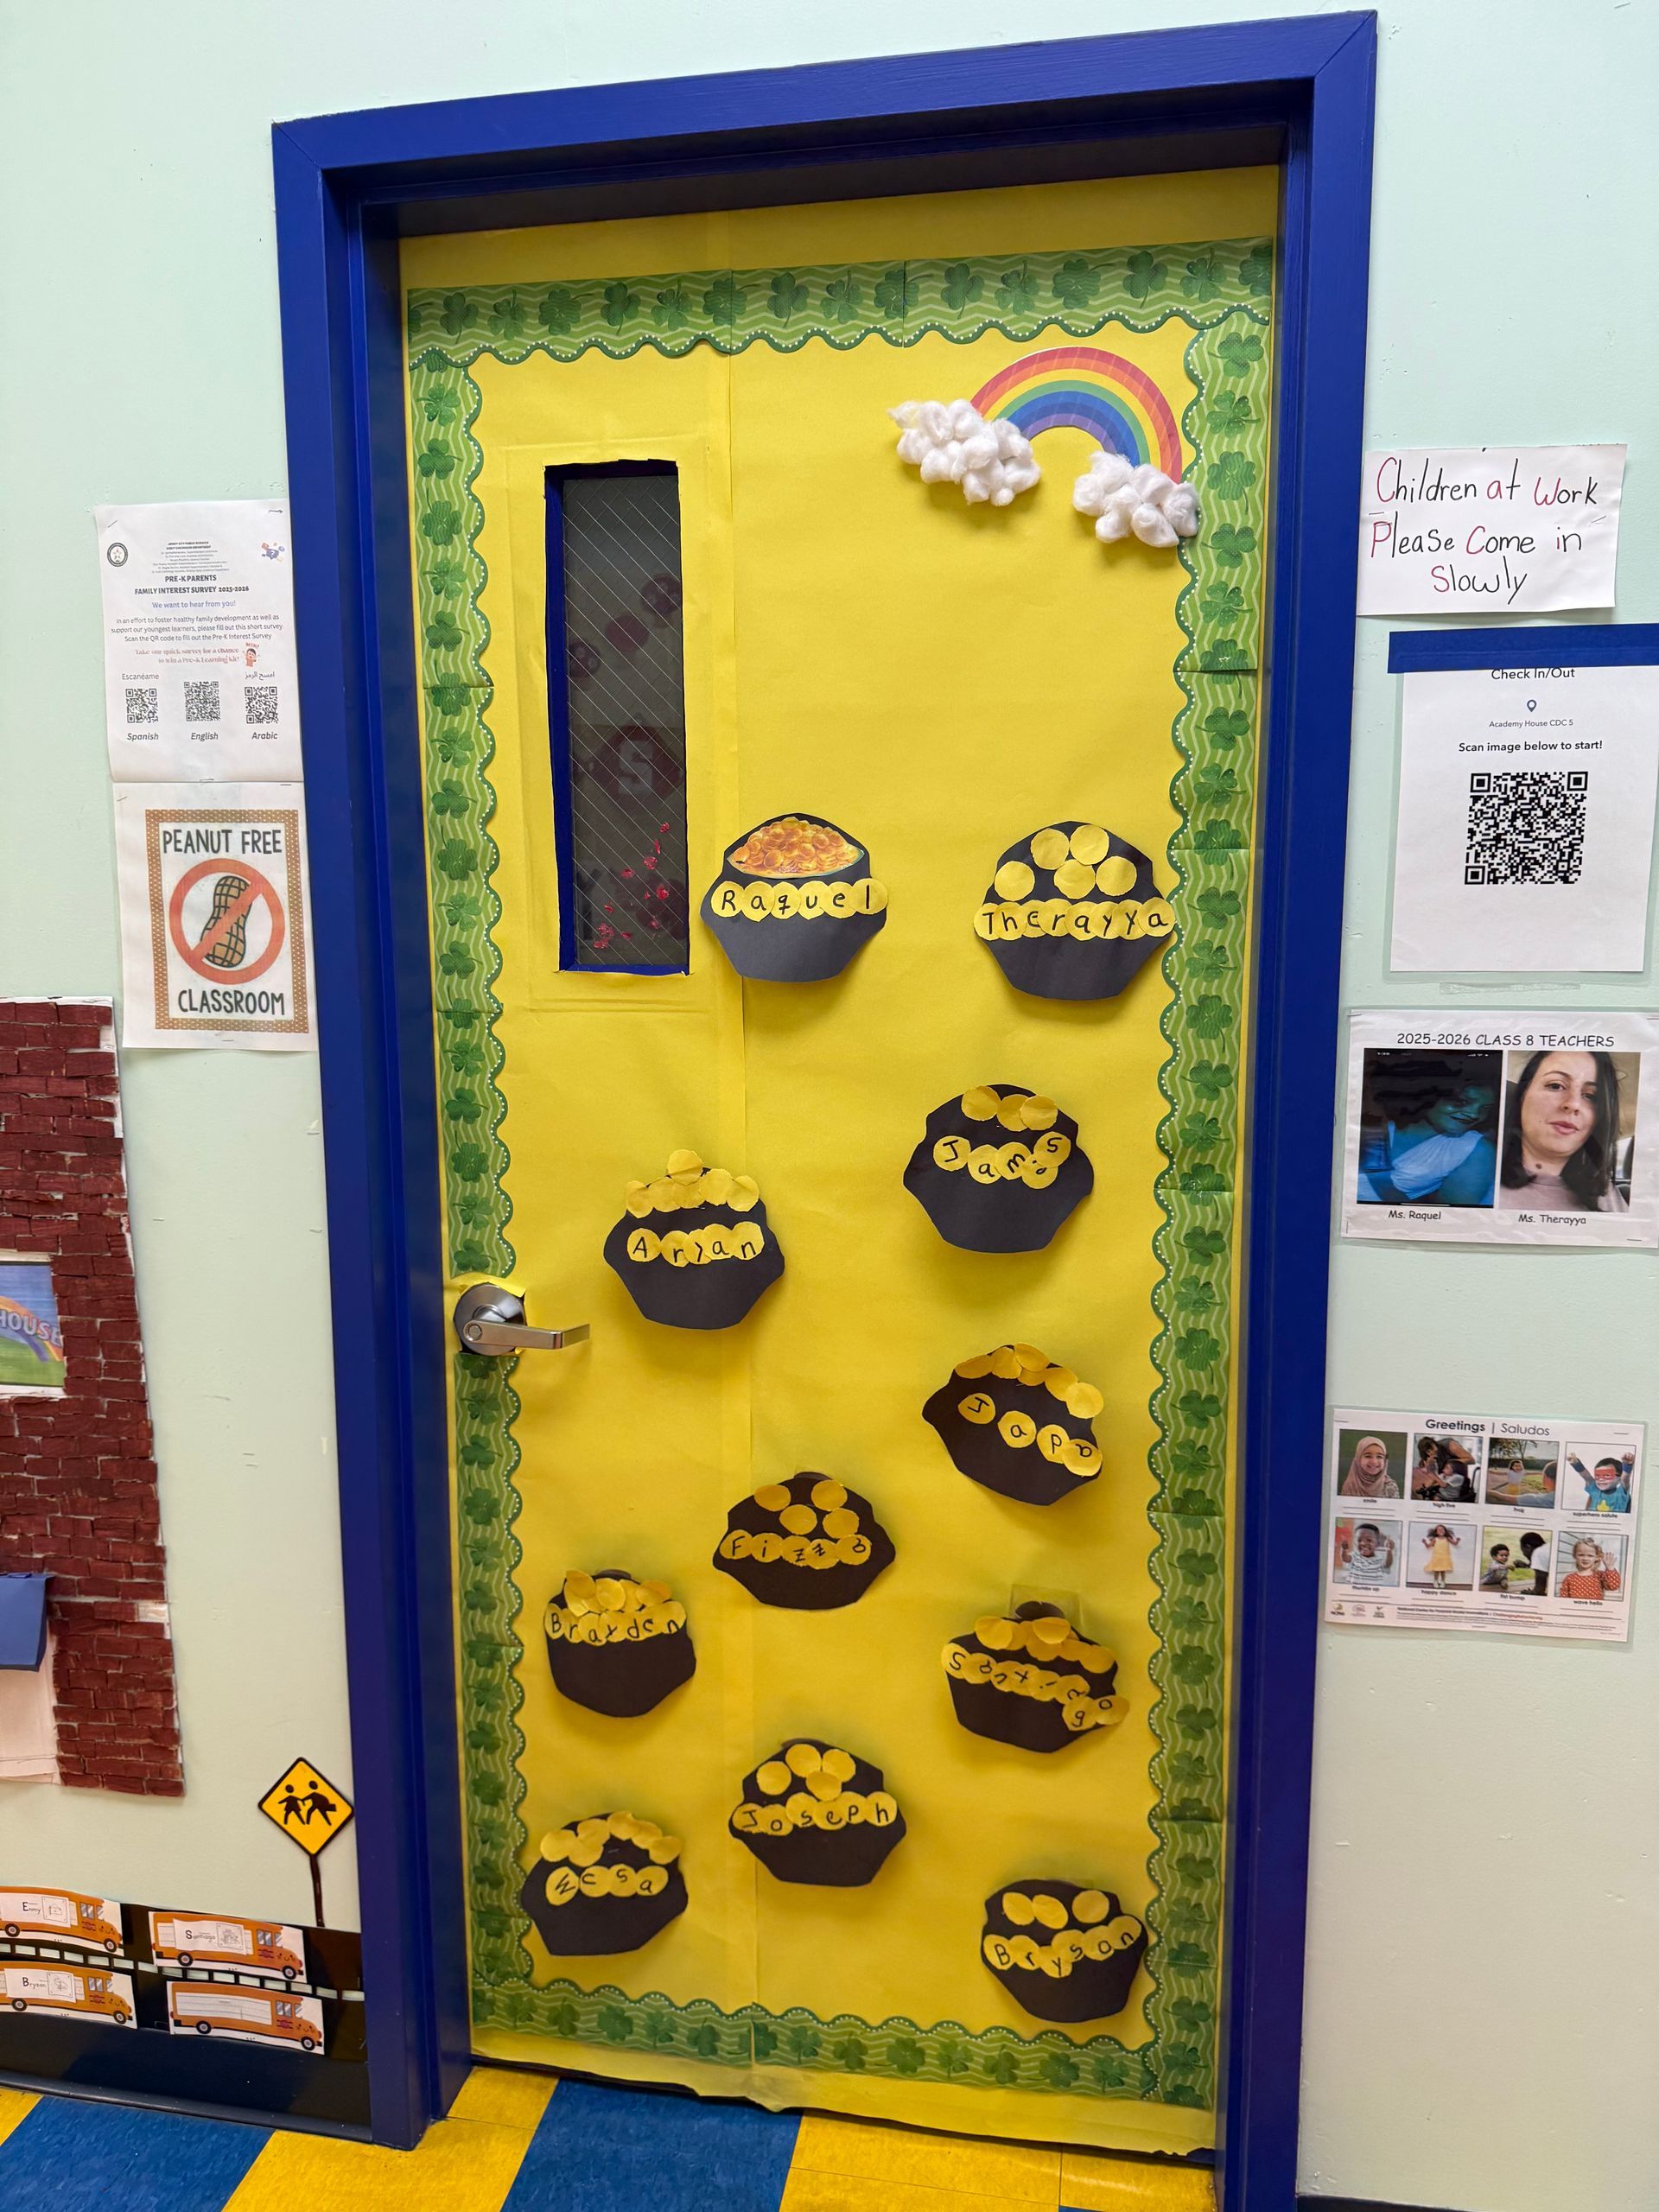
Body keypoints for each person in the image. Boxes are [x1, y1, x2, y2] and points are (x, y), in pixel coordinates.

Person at [1356, 1053, 1500, 1208]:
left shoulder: (1475, 1149)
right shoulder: (1374, 1122)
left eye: (1485, 1108)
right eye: (1461, 1101)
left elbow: (1450, 1218)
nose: (1474, 1114)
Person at [1498, 1050, 1629, 1212]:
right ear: (1523, 1094)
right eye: (1555, 1086)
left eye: (1590, 1096)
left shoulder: (1608, 1197)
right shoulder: (1475, 1173)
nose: (1574, 1104)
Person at [1567, 1450, 1634, 1514]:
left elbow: (1625, 1479)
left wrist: (1627, 1465)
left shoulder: (1621, 1494)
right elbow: (1586, 1476)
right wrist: (1575, 1463)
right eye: (1598, 1475)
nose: (1601, 1479)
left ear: (1619, 1479)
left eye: (1607, 1475)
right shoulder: (1595, 1491)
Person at [1558, 1537, 1622, 1602]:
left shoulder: (1600, 1575)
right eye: (1581, 1555)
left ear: (1597, 1557)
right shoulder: (1570, 1578)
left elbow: (1613, 1586)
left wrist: (1610, 1568)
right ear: (1575, 1556)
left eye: (1590, 1556)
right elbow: (1563, 1598)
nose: (1585, 1558)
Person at [1339, 1435, 1401, 1499]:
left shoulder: (1390, 1486)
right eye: (1368, 1456)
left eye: (1379, 1457)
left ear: (1385, 1460)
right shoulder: (1350, 1485)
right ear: (1358, 1459)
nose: (1374, 1462)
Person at [1338, 1522, 1396, 1589]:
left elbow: (1387, 1564)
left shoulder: (1380, 1559)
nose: (1363, 1543)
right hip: (1355, 1591)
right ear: (1355, 1543)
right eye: (1359, 1540)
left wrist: (1389, 1550)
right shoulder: (1355, 1555)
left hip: (1374, 1592)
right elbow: (1345, 1558)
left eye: (1369, 1540)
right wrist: (1343, 1549)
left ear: (1377, 1544)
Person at [1421, 1523, 1460, 1590]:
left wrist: (1458, 1541)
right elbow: (1428, 1546)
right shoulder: (1435, 1539)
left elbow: (1454, 1543)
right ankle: (1435, 1581)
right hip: (1437, 1557)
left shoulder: (1447, 1538)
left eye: (1442, 1529)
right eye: (1439, 1530)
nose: (1441, 1531)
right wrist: (1425, 1542)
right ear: (1436, 1532)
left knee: (1443, 1570)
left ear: (1445, 1531)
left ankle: (1443, 1582)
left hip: (1444, 1557)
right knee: (1436, 1570)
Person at [1518, 1529, 1550, 1596]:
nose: (1524, 1554)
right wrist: (1526, 1566)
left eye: (1523, 1551)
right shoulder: (1547, 1547)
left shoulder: (1538, 1553)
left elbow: (1539, 1591)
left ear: (1528, 1546)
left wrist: (1530, 1592)